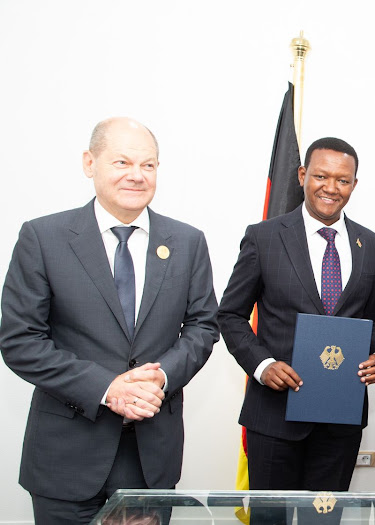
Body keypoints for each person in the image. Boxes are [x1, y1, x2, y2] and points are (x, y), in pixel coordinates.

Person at [0, 117, 220, 524]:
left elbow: (204, 326)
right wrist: (107, 388)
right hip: (65, 459)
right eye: (122, 163)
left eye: (148, 165)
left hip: (149, 459)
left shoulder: (188, 242)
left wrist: (161, 377)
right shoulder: (43, 238)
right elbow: (20, 341)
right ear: (90, 163)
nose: (136, 176)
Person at [218, 137, 375, 523]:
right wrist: (262, 365)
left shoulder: (371, 245)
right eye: (321, 176)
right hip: (274, 419)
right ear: (302, 176)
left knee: (324, 521)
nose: (331, 188)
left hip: (340, 421)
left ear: (354, 185)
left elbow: (373, 319)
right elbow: (229, 316)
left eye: (343, 180)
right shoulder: (264, 237)